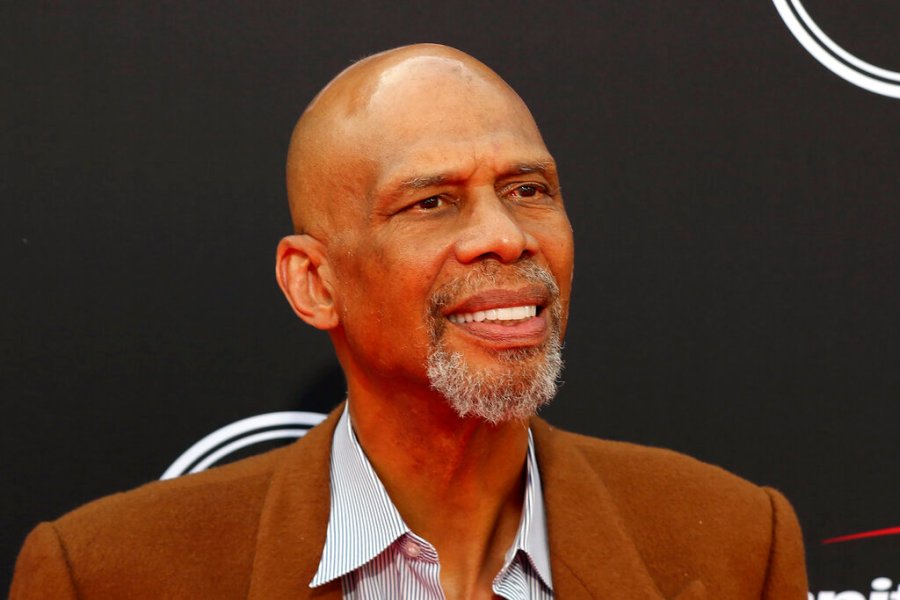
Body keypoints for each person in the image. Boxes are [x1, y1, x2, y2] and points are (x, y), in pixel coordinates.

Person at [10, 44, 808, 599]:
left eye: (529, 189)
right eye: (432, 202)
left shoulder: (737, 542)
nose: (506, 235)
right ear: (315, 282)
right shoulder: (108, 576)